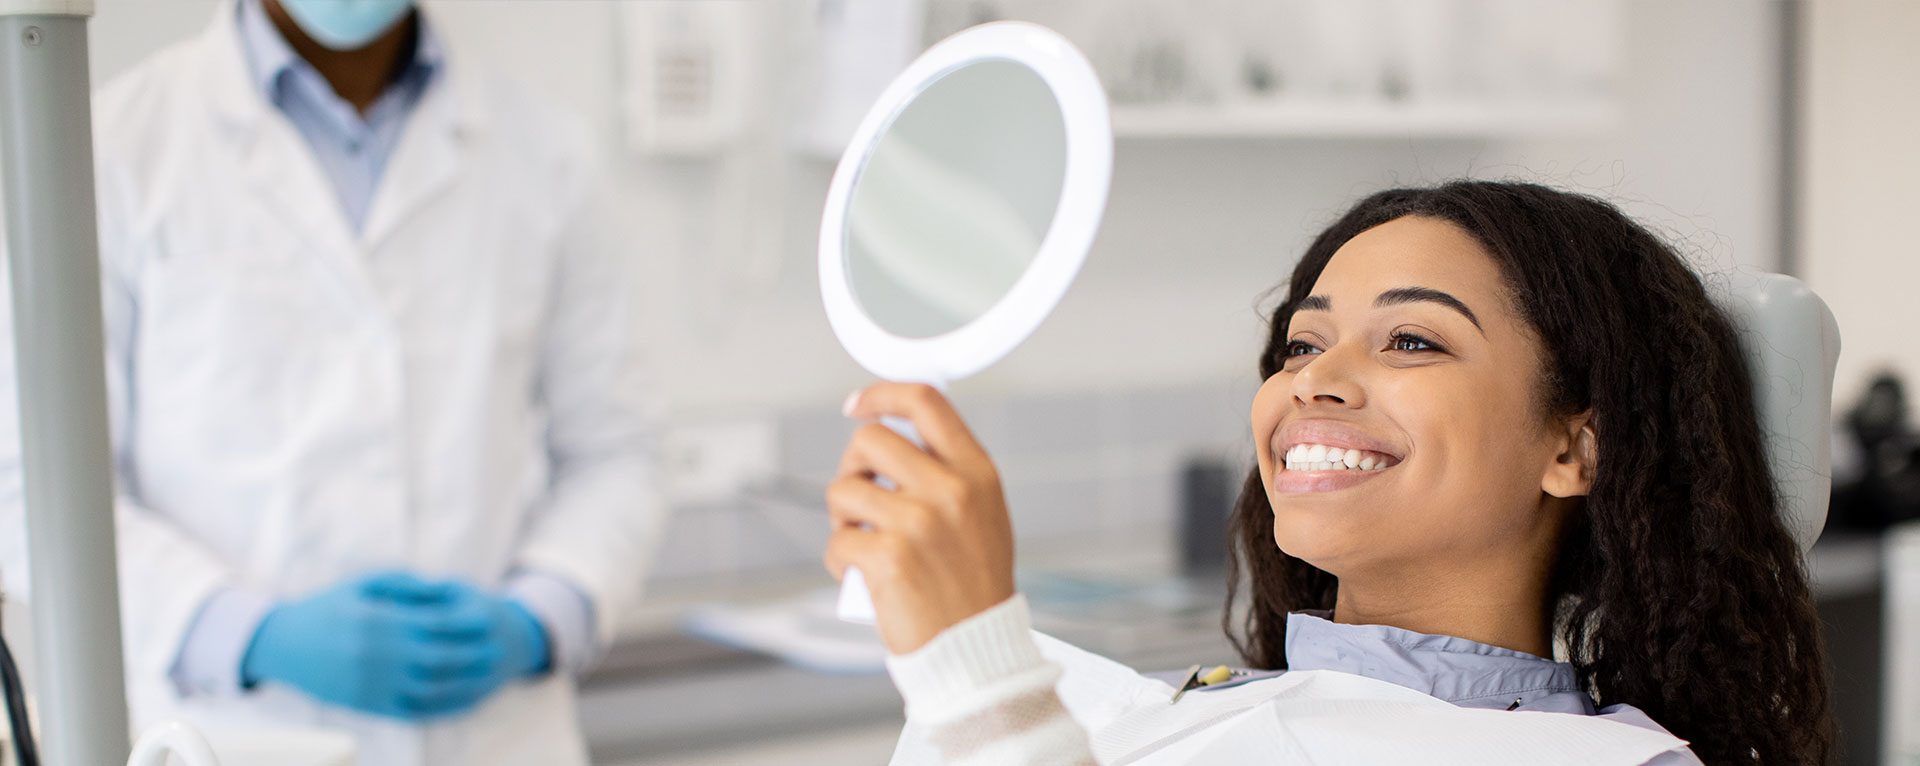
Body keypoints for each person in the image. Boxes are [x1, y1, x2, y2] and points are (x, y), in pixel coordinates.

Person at [824, 181, 1836, 765]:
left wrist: (981, 683)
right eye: (1302, 347)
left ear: (1575, 447)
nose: (1316, 383)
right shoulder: (1151, 710)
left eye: (1411, 342)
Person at [0, 0, 661, 763]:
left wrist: (541, 614)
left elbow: (620, 450)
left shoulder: (548, 155)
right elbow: (29, 485)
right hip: (228, 736)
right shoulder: (109, 145)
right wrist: (243, 633)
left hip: (495, 736)